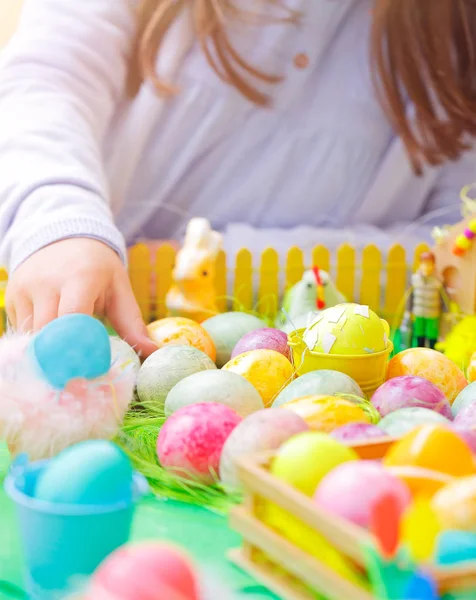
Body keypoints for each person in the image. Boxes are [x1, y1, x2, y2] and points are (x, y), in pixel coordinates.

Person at [0, 0, 475, 357]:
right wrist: (59, 217)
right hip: (67, 329)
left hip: (315, 391)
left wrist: (204, 264)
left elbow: (457, 249)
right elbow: (42, 82)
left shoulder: (459, 38)